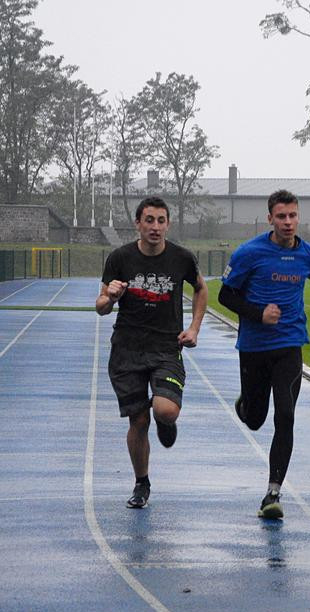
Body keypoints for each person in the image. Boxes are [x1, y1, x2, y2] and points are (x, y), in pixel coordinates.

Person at [218, 189, 310, 520]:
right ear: (270, 218)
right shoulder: (249, 253)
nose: (287, 222)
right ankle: (245, 404)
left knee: (286, 414)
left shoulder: (308, 253)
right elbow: (226, 296)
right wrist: (257, 314)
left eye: (292, 216)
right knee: (255, 419)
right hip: (254, 348)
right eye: (281, 216)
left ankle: (273, 492)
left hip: (289, 344)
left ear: (299, 217)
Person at [96, 196, 208, 509]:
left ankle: (167, 422)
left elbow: (201, 288)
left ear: (168, 224)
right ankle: (141, 482)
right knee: (138, 420)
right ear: (138, 223)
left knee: (165, 410)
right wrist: (112, 297)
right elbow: (100, 306)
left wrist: (195, 328)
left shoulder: (181, 258)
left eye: (161, 221)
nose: (155, 227)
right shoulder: (120, 258)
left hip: (165, 347)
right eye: (149, 220)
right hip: (127, 350)